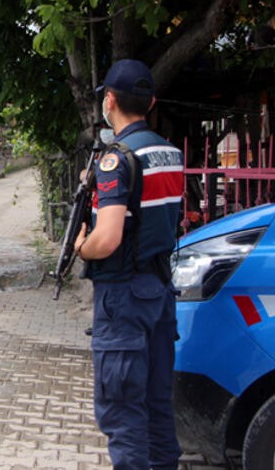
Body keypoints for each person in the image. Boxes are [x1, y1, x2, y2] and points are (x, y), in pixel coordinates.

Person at [73, 59, 184, 469]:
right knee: (157, 407)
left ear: (111, 100)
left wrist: (83, 246)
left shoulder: (116, 160)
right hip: (159, 293)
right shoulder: (169, 153)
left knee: (123, 414)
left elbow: (109, 238)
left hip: (123, 300)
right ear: (151, 101)